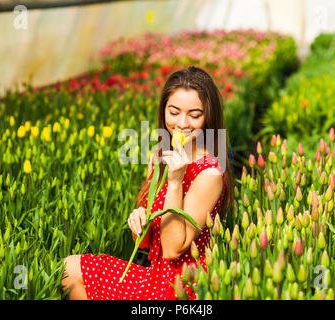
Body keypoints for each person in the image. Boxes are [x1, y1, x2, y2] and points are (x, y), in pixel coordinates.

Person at [61, 66, 234, 300]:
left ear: (208, 117)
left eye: (194, 115)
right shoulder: (159, 156)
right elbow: (146, 244)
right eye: (174, 112)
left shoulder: (209, 173)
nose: (182, 123)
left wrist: (175, 182)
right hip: (156, 275)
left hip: (185, 286)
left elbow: (173, 249)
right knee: (68, 270)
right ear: (163, 111)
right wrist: (139, 221)